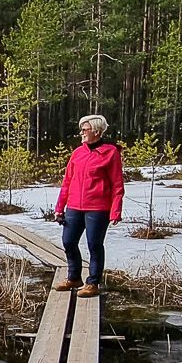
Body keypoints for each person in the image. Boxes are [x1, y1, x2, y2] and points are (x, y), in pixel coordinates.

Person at [54, 115, 124, 295]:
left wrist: (115, 210)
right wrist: (59, 207)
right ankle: (74, 278)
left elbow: (117, 185)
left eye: (85, 130)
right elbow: (67, 181)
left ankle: (93, 283)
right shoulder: (77, 153)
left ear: (97, 131)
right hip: (74, 206)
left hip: (98, 208)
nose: (81, 133)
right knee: (68, 242)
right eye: (81, 129)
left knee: (94, 244)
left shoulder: (110, 153)